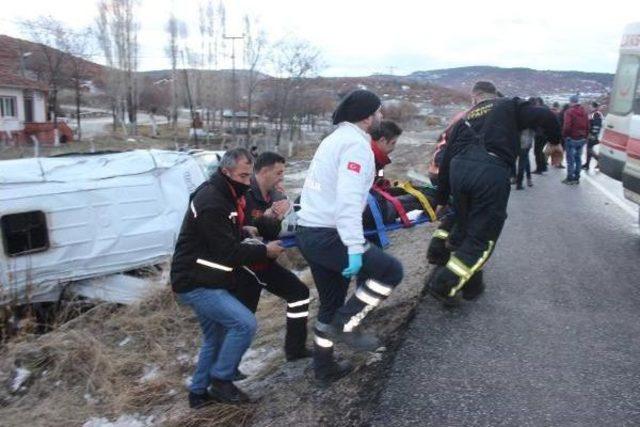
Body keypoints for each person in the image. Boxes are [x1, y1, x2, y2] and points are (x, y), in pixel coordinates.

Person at [296, 89, 404, 385]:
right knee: (391, 272)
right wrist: (355, 247)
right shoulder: (356, 145)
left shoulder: (333, 140)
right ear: (368, 117)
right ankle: (348, 323)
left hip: (309, 232)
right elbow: (348, 200)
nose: (382, 116)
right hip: (330, 234)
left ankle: (324, 367)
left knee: (330, 304)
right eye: (379, 111)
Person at [426, 81, 561, 306]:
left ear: (474, 98)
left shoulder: (465, 118)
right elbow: (546, 116)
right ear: (494, 95)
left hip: (459, 172)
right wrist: (555, 143)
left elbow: (448, 157)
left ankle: (469, 284)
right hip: (490, 171)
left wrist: (441, 198)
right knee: (482, 236)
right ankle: (444, 283)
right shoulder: (508, 105)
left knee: (464, 222)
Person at [171, 148, 285, 408]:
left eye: (249, 176)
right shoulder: (213, 200)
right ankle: (222, 380)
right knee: (244, 324)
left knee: (216, 337)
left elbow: (219, 235)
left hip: (206, 276)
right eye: (243, 176)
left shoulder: (225, 193)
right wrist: (264, 250)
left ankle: (198, 393)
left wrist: (243, 230)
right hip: (196, 281)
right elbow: (227, 251)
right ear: (226, 171)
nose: (247, 182)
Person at [236, 151, 312, 362]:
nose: (281, 178)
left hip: (264, 263)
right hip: (244, 267)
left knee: (299, 294)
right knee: (241, 320)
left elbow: (277, 228)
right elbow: (244, 231)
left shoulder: (274, 194)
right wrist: (266, 220)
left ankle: (295, 350)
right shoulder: (244, 193)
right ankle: (223, 372)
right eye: (278, 173)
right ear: (264, 171)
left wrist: (285, 207)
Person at [562, 95, 590, 185]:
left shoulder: (569, 112)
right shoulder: (584, 112)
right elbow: (588, 125)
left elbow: (567, 126)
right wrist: (585, 136)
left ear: (571, 101)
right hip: (582, 138)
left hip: (572, 138)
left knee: (570, 159)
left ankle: (570, 178)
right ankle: (577, 178)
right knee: (578, 158)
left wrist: (565, 135)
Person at [370, 120, 403, 188]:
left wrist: (382, 182)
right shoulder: (369, 158)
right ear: (382, 140)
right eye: (393, 143)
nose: (394, 147)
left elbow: (379, 176)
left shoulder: (380, 160)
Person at [583, 102, 603, 170]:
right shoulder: (593, 114)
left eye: (590, 107)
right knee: (589, 149)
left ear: (594, 107)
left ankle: (599, 161)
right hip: (591, 134)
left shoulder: (596, 114)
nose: (589, 108)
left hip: (592, 135)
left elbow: (596, 125)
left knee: (589, 149)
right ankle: (587, 164)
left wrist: (593, 134)